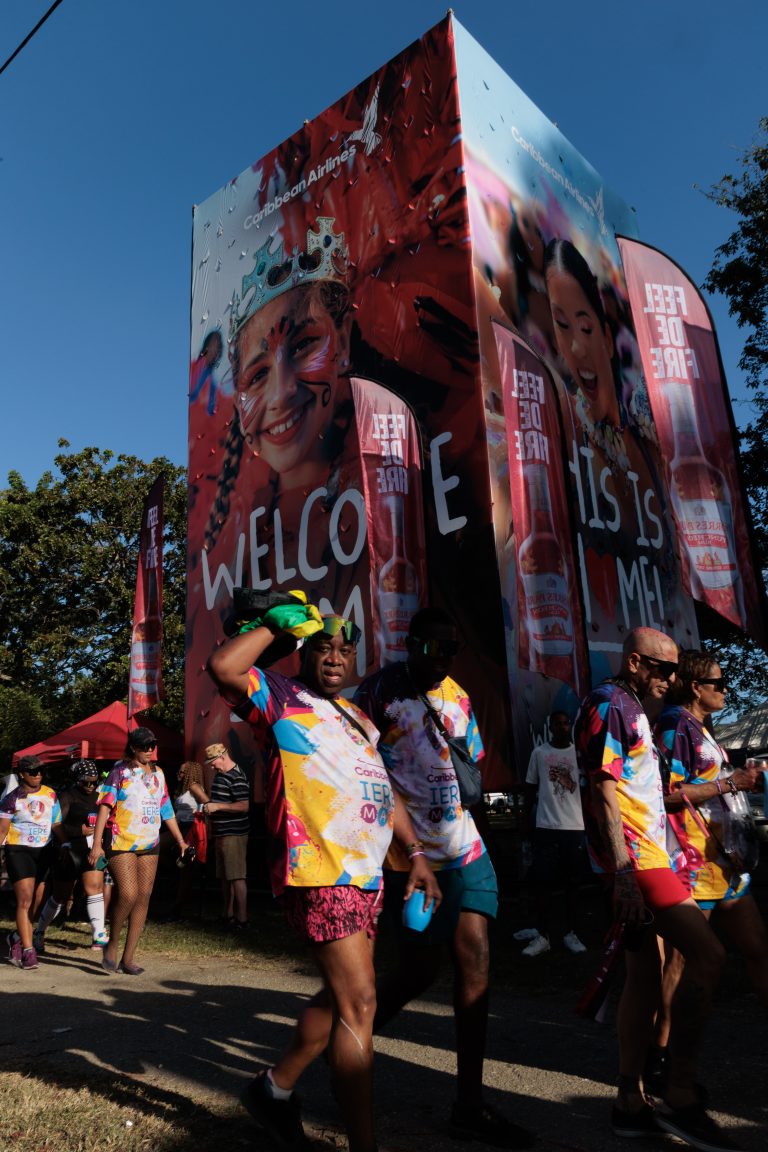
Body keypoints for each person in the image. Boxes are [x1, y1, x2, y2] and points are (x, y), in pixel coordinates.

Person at [207, 597, 437, 1152]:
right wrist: (274, 625)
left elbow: (382, 788)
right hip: (317, 867)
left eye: (345, 650)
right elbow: (224, 667)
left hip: (365, 873)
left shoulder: (358, 718)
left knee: (339, 998)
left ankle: (273, 1089)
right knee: (360, 1002)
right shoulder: (279, 695)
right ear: (303, 652)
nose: (335, 657)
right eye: (323, 647)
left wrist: (416, 853)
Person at [354, 607, 534, 1151]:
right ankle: (338, 1045)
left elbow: (468, 766)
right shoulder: (378, 692)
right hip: (408, 858)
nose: (442, 658)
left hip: (464, 847)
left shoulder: (458, 697)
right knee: (417, 973)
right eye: (432, 647)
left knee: (476, 959)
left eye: (451, 649)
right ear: (410, 643)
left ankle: (469, 1105)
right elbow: (360, 769)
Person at [575, 627, 738, 1152]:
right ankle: (679, 1094)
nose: (673, 678)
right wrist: (624, 871)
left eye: (675, 670)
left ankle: (629, 1101)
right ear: (634, 662)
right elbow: (603, 791)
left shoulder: (634, 708)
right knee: (709, 956)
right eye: (664, 669)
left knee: (644, 977)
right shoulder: (610, 704)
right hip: (637, 861)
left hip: (648, 856)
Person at [647, 650, 768, 1092]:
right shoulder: (674, 726)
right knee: (681, 964)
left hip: (726, 863)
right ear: (696, 687)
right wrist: (732, 782)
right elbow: (667, 793)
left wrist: (740, 776)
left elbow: (710, 783)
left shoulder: (700, 728)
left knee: (758, 948)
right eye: (718, 683)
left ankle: (663, 1058)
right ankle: (659, 1056)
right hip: (693, 865)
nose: (725, 691)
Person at [88, 727, 188, 975]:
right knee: (129, 894)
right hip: (122, 841)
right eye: (144, 746)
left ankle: (128, 958)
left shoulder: (159, 774)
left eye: (152, 745)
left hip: (150, 842)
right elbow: (104, 808)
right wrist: (97, 844)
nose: (149, 750)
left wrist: (181, 841)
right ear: (133, 747)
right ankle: (112, 942)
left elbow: (166, 809)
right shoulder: (120, 771)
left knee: (143, 896)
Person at [516, 710, 586, 957]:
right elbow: (530, 789)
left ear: (570, 726)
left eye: (566, 723)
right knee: (543, 883)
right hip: (546, 826)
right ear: (551, 726)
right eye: (557, 723)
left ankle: (571, 933)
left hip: (574, 827)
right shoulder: (540, 753)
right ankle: (543, 935)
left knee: (572, 885)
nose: (562, 727)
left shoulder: (579, 754)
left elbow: (585, 789)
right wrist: (525, 820)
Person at [34, 759, 109, 952]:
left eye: (94, 781)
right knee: (60, 896)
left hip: (92, 850)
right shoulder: (68, 796)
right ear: (77, 780)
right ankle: (39, 931)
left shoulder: (100, 797)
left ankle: (98, 935)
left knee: (94, 888)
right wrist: (77, 831)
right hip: (69, 850)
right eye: (86, 782)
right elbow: (56, 824)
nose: (91, 786)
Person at [1, 754, 61, 970]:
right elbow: (2, 829)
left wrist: (66, 844)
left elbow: (56, 824)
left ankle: (16, 937)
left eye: (41, 771)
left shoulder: (50, 794)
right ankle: (28, 951)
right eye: (33, 771)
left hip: (43, 852)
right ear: (22, 774)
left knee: (37, 901)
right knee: (25, 901)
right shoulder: (11, 798)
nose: (38, 775)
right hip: (19, 851)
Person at [201, 743, 249, 931]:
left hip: (234, 833)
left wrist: (217, 807)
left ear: (222, 757)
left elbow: (244, 806)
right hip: (221, 833)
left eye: (213, 763)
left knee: (236, 876)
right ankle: (227, 915)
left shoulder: (237, 777)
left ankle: (242, 919)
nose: (212, 767)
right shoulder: (221, 775)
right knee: (225, 876)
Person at [163, 760, 210, 922]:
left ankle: (177, 907)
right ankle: (176, 900)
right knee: (181, 867)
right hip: (180, 827)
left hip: (189, 828)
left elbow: (207, 803)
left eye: (182, 772)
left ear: (190, 773)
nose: (179, 774)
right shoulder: (183, 789)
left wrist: (200, 816)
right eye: (179, 771)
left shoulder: (194, 787)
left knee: (185, 871)